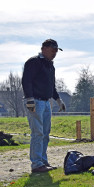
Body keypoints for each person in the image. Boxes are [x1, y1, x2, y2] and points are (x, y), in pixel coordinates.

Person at [22, 39, 66, 173]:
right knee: (38, 133)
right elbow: (26, 80)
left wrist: (58, 100)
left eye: (56, 51)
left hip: (47, 102)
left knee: (45, 133)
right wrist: (29, 99)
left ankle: (42, 160)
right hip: (35, 101)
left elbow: (51, 86)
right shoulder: (34, 62)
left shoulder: (50, 65)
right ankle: (36, 164)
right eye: (53, 50)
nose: (55, 53)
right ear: (44, 48)